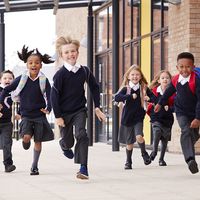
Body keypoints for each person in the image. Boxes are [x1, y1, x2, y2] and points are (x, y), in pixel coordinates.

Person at [51, 36, 106, 180]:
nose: (70, 54)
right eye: (67, 52)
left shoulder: (84, 71)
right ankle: (64, 145)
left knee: (82, 134)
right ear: (62, 55)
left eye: (73, 51)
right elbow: (54, 96)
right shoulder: (59, 75)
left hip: (80, 110)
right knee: (69, 141)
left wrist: (97, 107)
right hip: (63, 113)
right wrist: (57, 116)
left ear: (77, 52)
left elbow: (94, 87)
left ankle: (83, 168)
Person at [0, 45, 54, 175]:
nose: (33, 65)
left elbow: (50, 95)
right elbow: (6, 90)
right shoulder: (21, 79)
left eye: (36, 63)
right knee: (27, 137)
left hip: (40, 115)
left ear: (41, 65)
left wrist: (48, 108)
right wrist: (0, 102)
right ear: (27, 65)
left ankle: (34, 166)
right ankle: (25, 141)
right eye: (31, 63)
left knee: (38, 141)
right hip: (26, 116)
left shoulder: (43, 80)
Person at [154, 52, 200, 174]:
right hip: (181, 111)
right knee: (186, 130)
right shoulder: (175, 80)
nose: (184, 69)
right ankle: (190, 160)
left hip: (195, 112)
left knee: (193, 135)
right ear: (177, 67)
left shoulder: (196, 81)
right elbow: (168, 93)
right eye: (181, 67)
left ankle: (187, 145)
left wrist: (198, 118)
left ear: (193, 67)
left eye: (188, 66)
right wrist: (159, 103)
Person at [114, 64, 153, 170]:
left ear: (140, 76)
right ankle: (128, 161)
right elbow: (117, 97)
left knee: (139, 136)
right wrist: (130, 96)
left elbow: (154, 97)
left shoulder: (144, 88)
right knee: (129, 142)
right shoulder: (126, 88)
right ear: (128, 76)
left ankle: (144, 153)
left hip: (139, 117)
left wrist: (148, 98)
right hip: (127, 118)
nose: (135, 76)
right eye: (133, 74)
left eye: (137, 74)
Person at [147, 70, 174, 166]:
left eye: (167, 78)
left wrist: (170, 108)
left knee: (164, 139)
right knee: (157, 131)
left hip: (167, 118)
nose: (165, 79)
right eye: (163, 78)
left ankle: (161, 159)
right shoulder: (154, 91)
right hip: (156, 116)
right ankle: (154, 151)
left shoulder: (173, 92)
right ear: (158, 80)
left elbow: (177, 105)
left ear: (170, 80)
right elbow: (149, 101)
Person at [0, 70, 16, 173]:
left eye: (10, 78)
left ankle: (8, 164)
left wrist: (20, 113)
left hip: (6, 123)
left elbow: (21, 101)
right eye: (5, 78)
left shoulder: (14, 92)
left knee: (7, 143)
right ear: (0, 80)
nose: (7, 80)